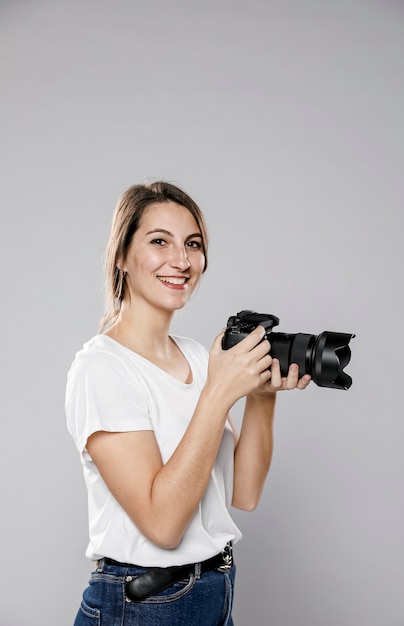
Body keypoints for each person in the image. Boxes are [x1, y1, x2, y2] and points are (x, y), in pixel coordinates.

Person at [65, 180, 310, 626]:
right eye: (160, 241)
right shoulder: (101, 369)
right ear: (121, 256)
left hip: (215, 592)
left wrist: (260, 396)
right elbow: (163, 523)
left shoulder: (199, 356)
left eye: (192, 244)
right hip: (144, 603)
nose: (181, 260)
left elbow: (246, 493)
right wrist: (219, 393)